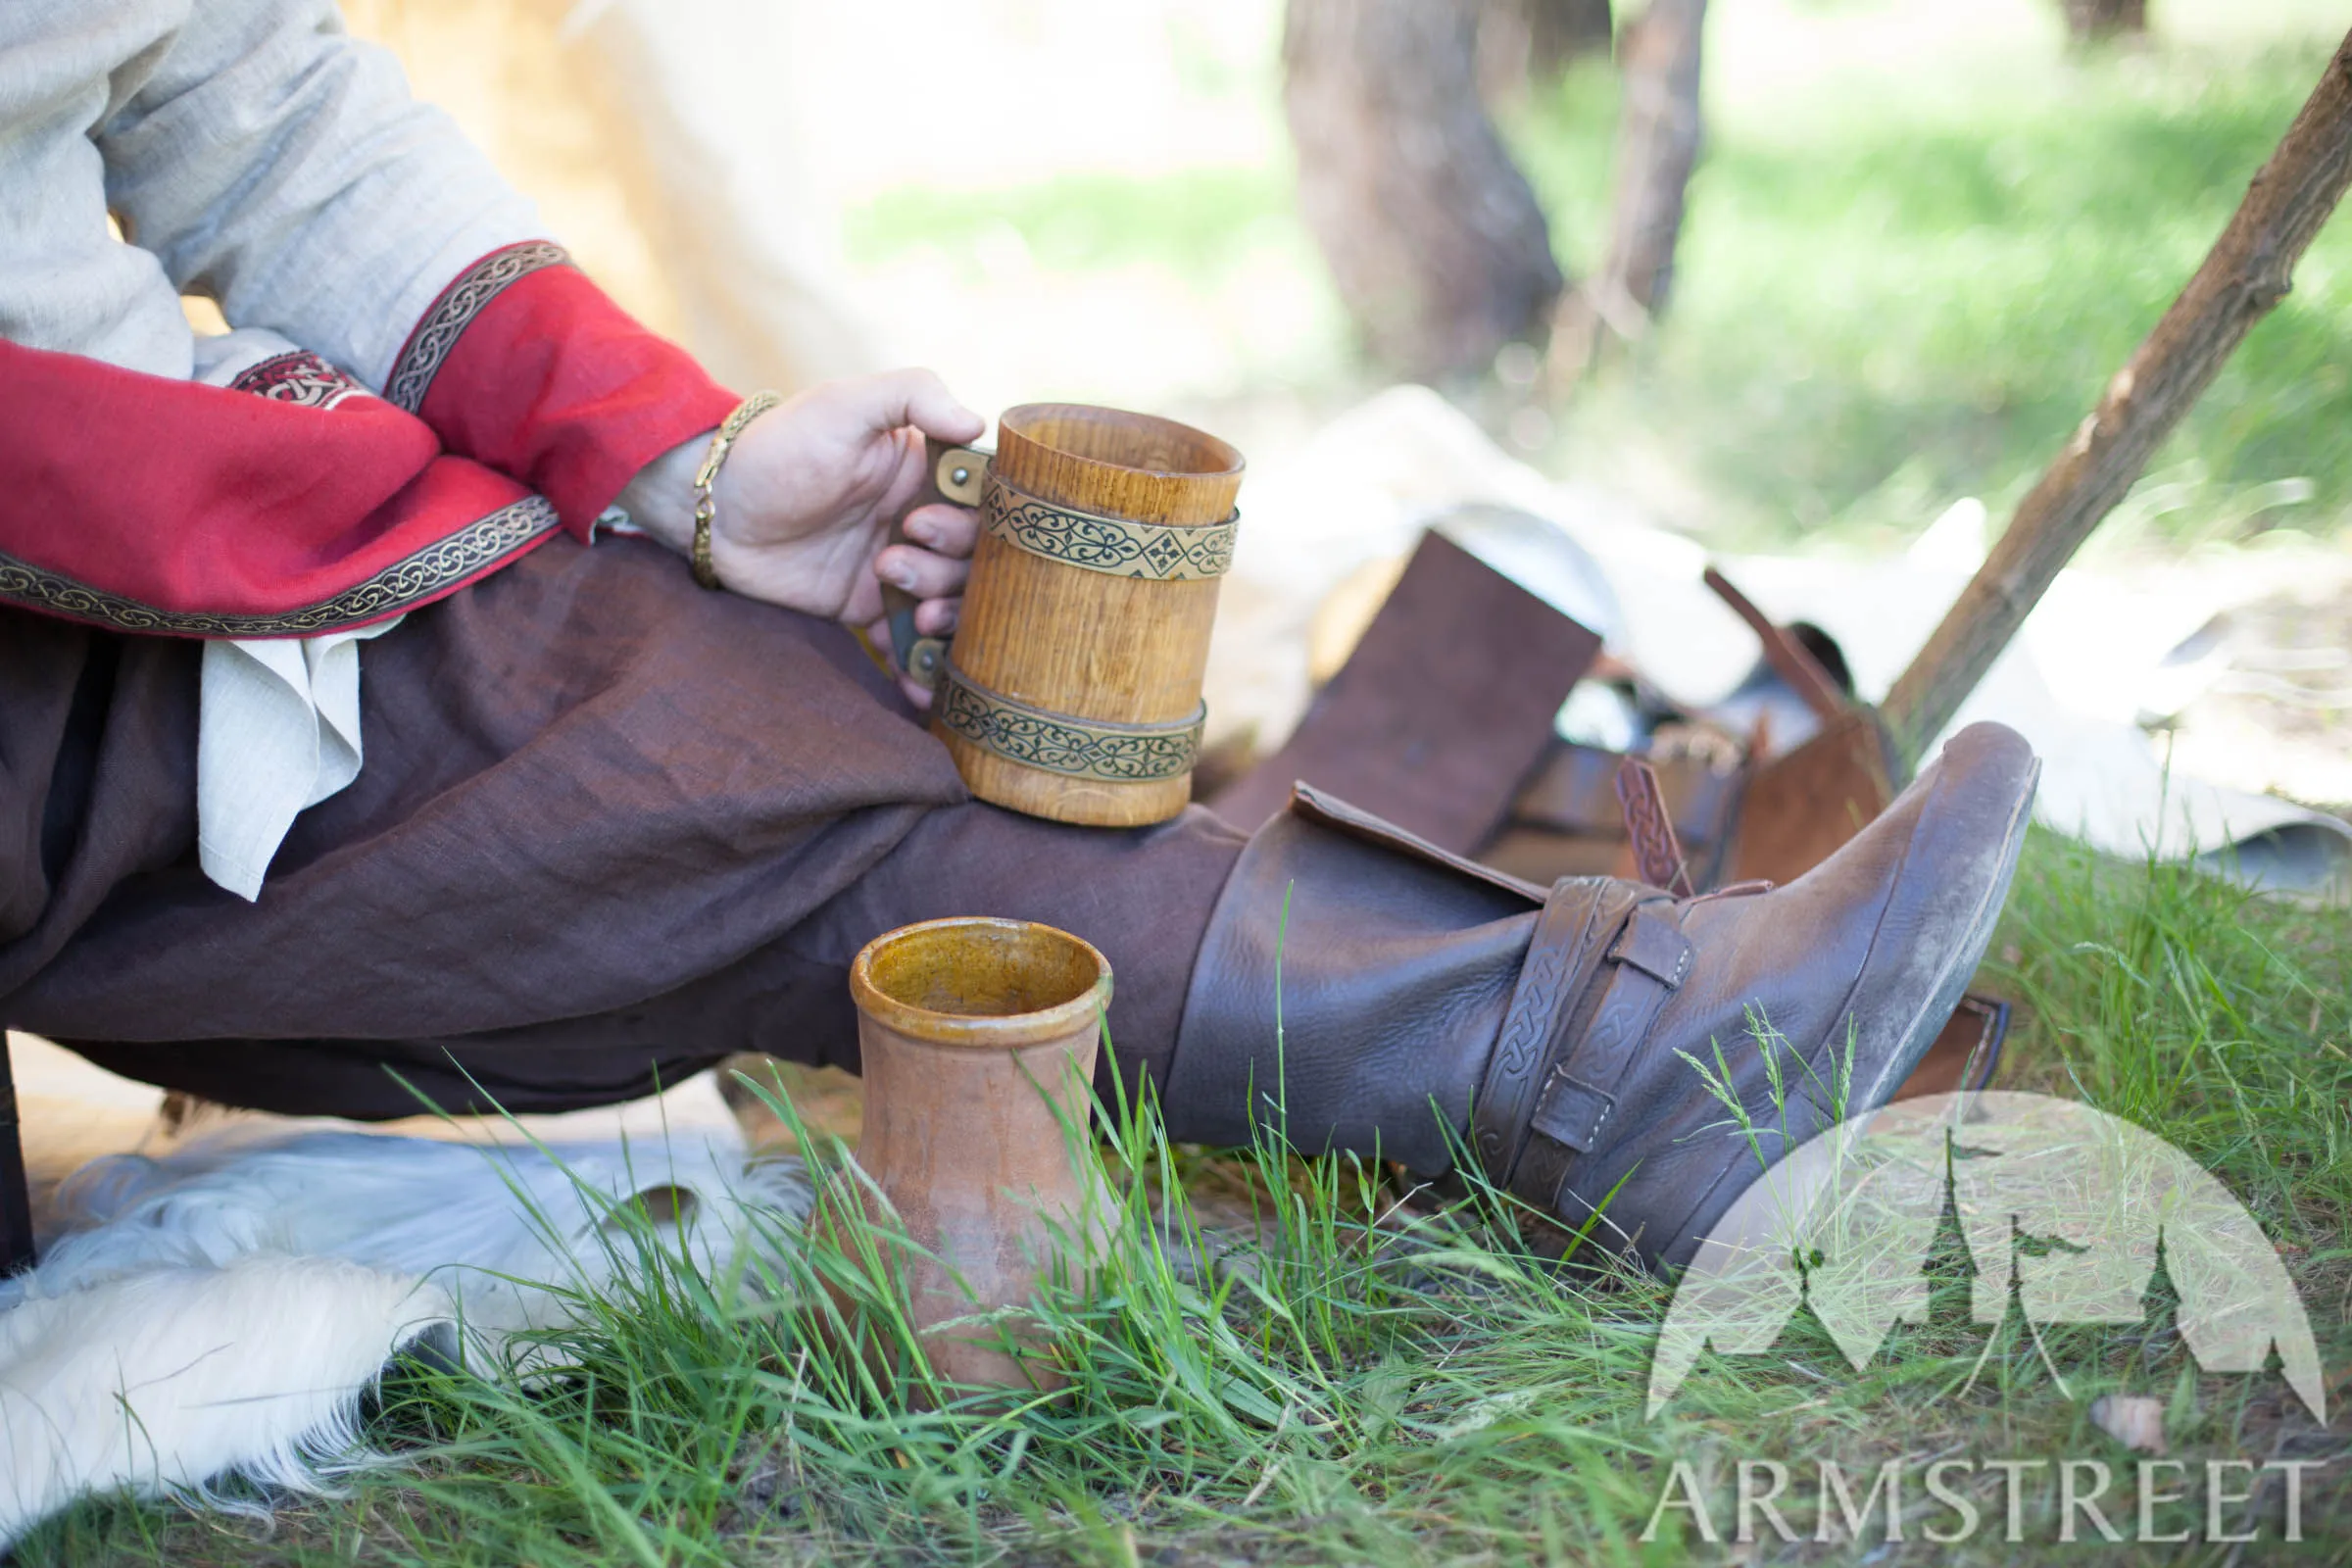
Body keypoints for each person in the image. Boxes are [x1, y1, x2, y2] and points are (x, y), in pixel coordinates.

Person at [0, 0, 2037, 1273]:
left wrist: (687, 462)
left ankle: (1612, 1062)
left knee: (779, 714)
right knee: (702, 757)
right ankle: (1614, 1060)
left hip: (129, 491)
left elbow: (233, 80)